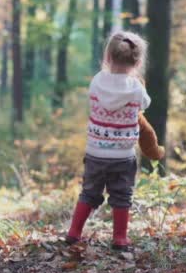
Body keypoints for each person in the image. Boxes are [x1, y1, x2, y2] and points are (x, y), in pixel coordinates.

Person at [65, 31, 151, 250]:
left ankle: (74, 232)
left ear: (107, 57)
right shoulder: (135, 88)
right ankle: (120, 237)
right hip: (123, 155)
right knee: (122, 195)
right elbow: (145, 104)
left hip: (95, 152)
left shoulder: (97, 81)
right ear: (138, 61)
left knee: (89, 192)